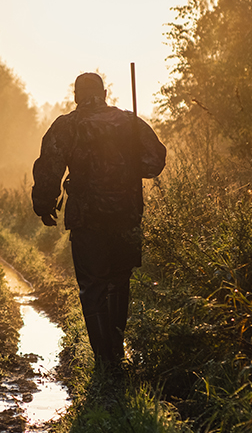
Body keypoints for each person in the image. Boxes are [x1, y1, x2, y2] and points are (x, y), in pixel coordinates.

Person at [32, 72, 167, 372]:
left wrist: (44, 205)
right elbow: (154, 163)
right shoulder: (130, 122)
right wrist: (128, 162)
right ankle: (117, 353)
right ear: (104, 94)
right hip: (126, 216)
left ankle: (104, 362)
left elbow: (49, 168)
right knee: (119, 282)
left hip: (87, 219)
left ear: (76, 96)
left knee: (92, 287)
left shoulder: (67, 126)